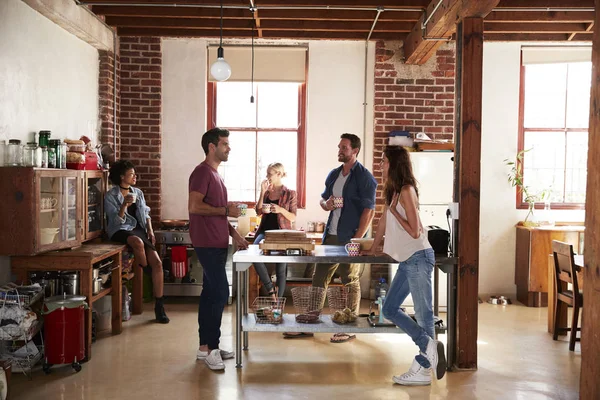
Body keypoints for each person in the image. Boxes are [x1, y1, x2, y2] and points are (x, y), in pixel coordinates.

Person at [363, 145, 446, 385]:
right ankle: (429, 347)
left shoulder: (407, 191)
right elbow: (382, 221)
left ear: (395, 163)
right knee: (389, 309)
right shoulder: (393, 192)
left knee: (424, 315)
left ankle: (423, 369)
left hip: (418, 257)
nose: (380, 165)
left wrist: (394, 214)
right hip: (407, 260)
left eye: (384, 161)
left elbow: (414, 230)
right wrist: (373, 248)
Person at [284, 133, 377, 342]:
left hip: (351, 238)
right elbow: (323, 200)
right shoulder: (334, 174)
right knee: (320, 276)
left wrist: (356, 240)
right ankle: (311, 320)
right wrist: (326, 204)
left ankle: (349, 324)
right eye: (339, 147)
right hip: (331, 235)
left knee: (350, 279)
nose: (340, 150)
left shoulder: (364, 177)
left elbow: (369, 211)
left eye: (344, 147)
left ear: (355, 151)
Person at [188, 127, 249, 371]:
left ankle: (206, 348)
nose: (229, 147)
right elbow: (194, 206)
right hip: (206, 242)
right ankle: (211, 347)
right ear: (212, 147)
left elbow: (221, 214)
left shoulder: (216, 175)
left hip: (217, 242)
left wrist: (235, 235)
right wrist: (226, 211)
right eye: (225, 143)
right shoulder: (202, 172)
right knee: (221, 293)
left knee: (210, 294)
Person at [105, 160, 169, 324]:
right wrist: (124, 205)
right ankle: (148, 271)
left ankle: (159, 307)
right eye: (132, 174)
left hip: (139, 229)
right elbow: (115, 222)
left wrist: (150, 229)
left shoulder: (138, 192)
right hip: (120, 230)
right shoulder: (110, 196)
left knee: (158, 263)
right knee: (137, 242)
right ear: (121, 176)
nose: (135, 176)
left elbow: (145, 214)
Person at [253, 163, 297, 298]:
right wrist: (261, 192)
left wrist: (281, 210)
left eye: (269, 174)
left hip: (282, 234)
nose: (267, 177)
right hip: (264, 232)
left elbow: (293, 217)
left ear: (279, 174)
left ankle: (278, 304)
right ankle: (270, 288)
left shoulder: (290, 193)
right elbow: (258, 212)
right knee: (254, 253)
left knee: (281, 269)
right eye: (267, 174)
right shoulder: (267, 192)